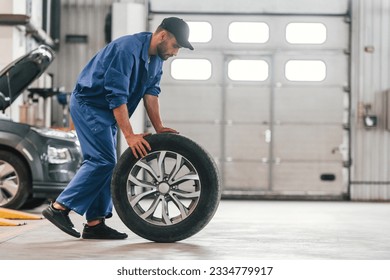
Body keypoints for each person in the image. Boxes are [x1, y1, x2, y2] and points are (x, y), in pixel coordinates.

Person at [43, 17, 194, 239]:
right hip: (90, 105)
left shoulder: (156, 59)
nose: (175, 53)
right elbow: (117, 96)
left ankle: (95, 224)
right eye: (175, 46)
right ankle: (59, 208)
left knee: (105, 163)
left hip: (107, 112)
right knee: (102, 161)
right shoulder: (127, 50)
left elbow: (151, 93)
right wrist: (130, 135)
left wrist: (159, 126)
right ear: (162, 36)